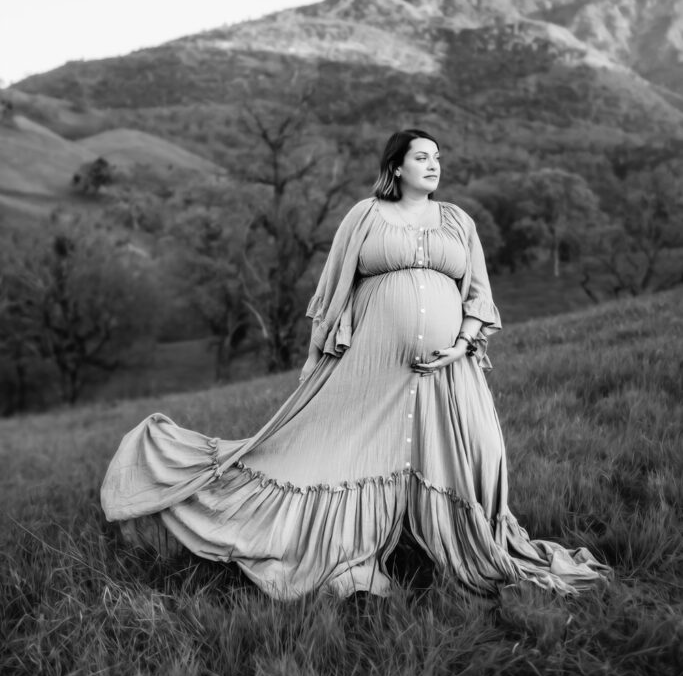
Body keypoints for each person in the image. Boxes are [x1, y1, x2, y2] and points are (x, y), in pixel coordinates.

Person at [101, 129, 609, 599]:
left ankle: (461, 544)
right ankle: (344, 555)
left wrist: (463, 343)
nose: (434, 165)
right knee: (338, 455)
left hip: (450, 370)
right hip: (372, 368)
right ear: (396, 167)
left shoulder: (458, 221)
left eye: (438, 158)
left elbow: (479, 296)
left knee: (484, 454)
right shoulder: (365, 216)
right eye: (422, 157)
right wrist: (319, 357)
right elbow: (332, 293)